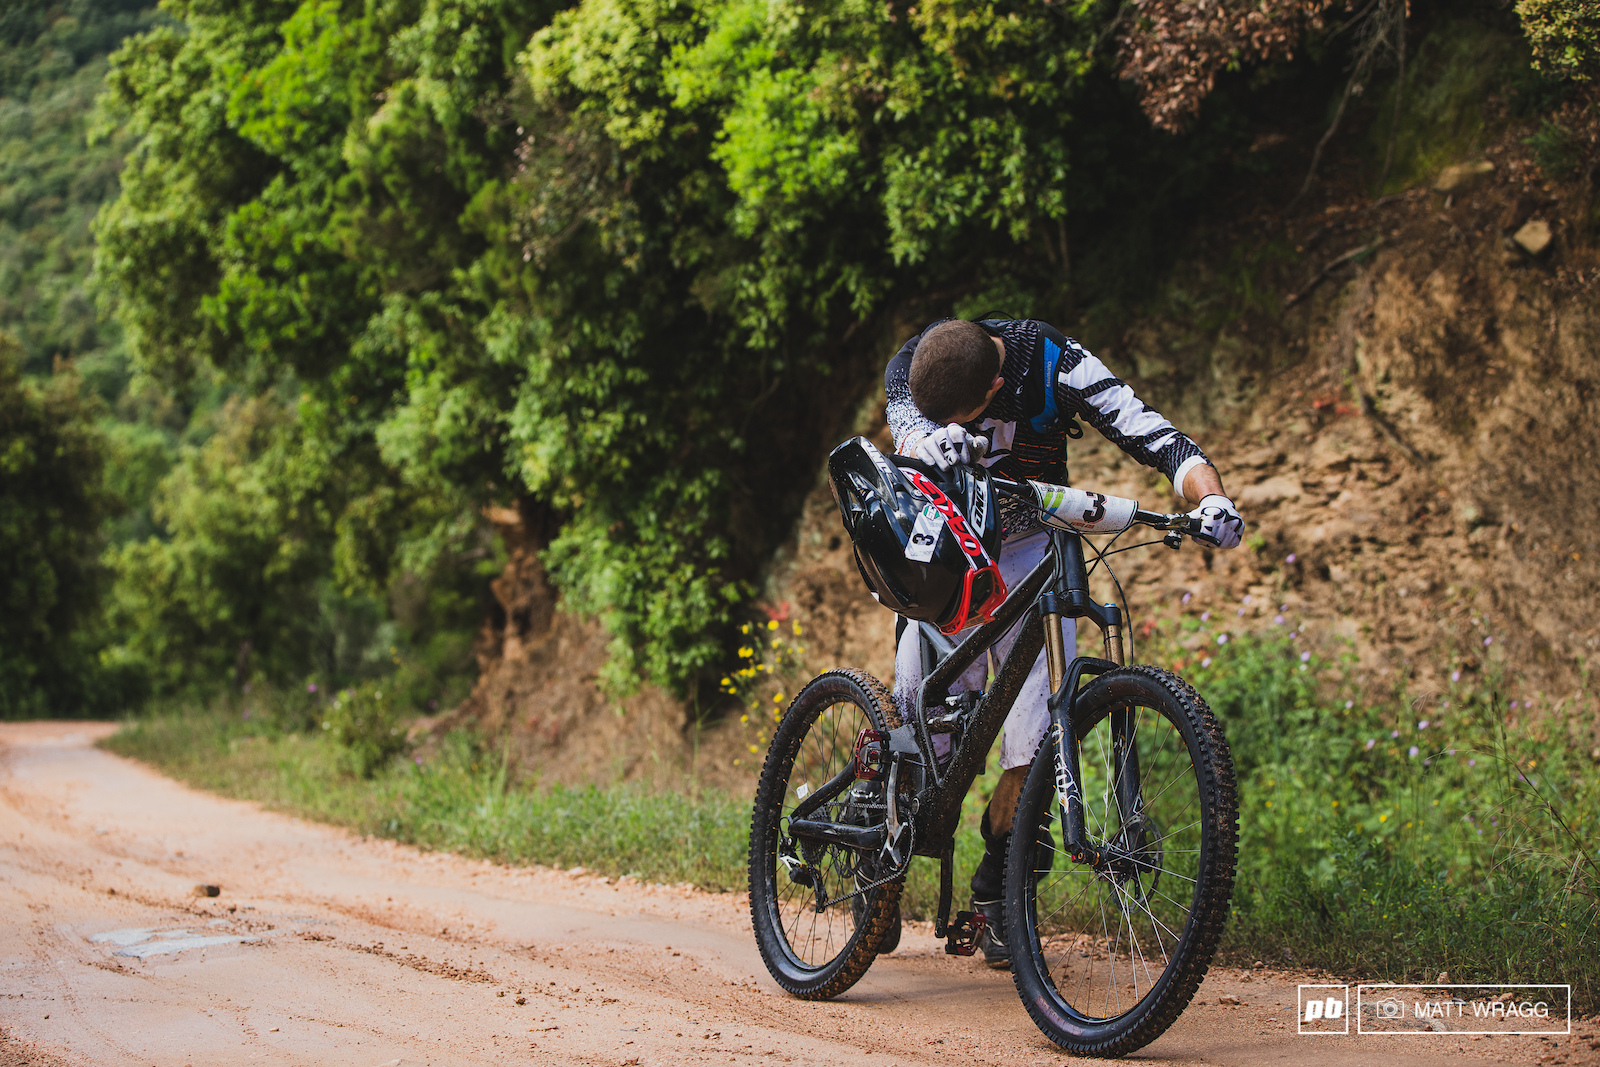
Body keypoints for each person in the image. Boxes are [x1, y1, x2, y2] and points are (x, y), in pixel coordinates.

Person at [883, 316, 1244, 967]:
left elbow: (1156, 436)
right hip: (943, 556)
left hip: (1031, 545)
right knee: (921, 735)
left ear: (996, 385)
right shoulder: (917, 366)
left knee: (1038, 741)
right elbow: (907, 431)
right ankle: (878, 859)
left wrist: (1212, 499)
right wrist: (925, 443)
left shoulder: (1056, 363)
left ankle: (998, 893)